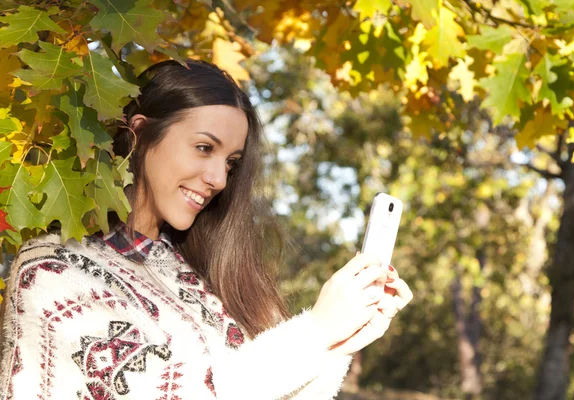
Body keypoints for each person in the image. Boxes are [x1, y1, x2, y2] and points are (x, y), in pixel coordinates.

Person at [0, 60, 413, 399]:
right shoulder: (51, 272)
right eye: (204, 148)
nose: (218, 178)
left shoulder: (207, 278)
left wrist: (338, 343)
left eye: (231, 163)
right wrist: (316, 330)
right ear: (140, 133)